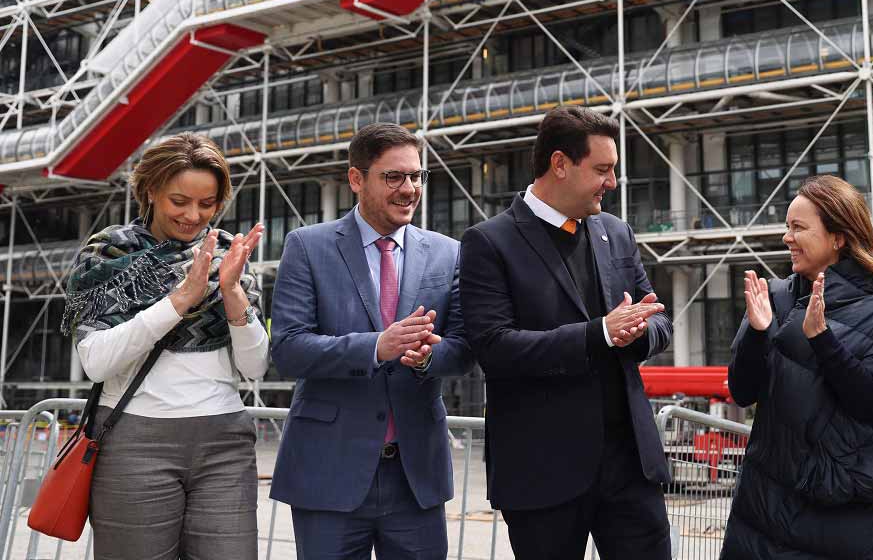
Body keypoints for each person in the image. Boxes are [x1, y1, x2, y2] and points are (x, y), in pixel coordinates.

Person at [459, 106, 672, 559]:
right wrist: (600, 334)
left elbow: (659, 319)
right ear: (559, 164)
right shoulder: (489, 242)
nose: (612, 182)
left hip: (631, 468)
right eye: (602, 169)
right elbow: (494, 348)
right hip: (544, 473)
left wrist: (638, 332)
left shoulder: (616, 232)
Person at [269, 123, 475, 560]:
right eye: (394, 177)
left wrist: (427, 356)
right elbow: (287, 349)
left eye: (416, 176)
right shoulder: (307, 247)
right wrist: (376, 347)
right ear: (356, 179)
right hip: (329, 472)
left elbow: (464, 348)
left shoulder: (448, 252)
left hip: (415, 477)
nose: (409, 189)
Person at [65, 133, 268, 560]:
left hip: (224, 440)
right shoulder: (108, 253)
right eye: (179, 201)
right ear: (150, 190)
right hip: (134, 442)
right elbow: (95, 362)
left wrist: (232, 292)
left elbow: (254, 367)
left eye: (207, 204)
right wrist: (180, 300)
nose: (193, 215)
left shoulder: (229, 255)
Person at [721, 175, 873, 560]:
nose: (787, 237)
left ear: (838, 237)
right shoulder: (773, 296)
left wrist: (823, 339)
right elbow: (741, 392)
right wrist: (756, 333)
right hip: (762, 505)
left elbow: (866, 399)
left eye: (798, 227)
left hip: (841, 508)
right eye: (787, 227)